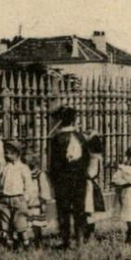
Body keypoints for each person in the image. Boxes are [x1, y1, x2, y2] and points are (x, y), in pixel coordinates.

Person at [48, 106, 89, 249]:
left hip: (63, 179)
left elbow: (54, 163)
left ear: (60, 121)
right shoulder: (81, 137)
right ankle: (80, 239)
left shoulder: (57, 138)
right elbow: (86, 159)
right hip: (79, 178)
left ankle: (66, 241)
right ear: (74, 120)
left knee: (63, 209)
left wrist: (54, 180)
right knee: (79, 208)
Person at [0, 140, 34, 249]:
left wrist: (26, 197)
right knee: (6, 222)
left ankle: (26, 243)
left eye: (8, 153)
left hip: (18, 199)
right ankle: (10, 244)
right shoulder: (4, 167)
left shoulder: (23, 168)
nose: (6, 155)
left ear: (17, 154)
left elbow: (28, 184)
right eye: (5, 152)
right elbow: (0, 181)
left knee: (20, 223)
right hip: (4, 199)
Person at [25, 151, 53, 248]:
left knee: (36, 224)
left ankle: (38, 241)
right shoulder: (24, 173)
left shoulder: (40, 174)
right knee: (26, 223)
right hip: (26, 202)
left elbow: (44, 188)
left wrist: (44, 200)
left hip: (36, 202)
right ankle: (26, 241)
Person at [84, 135, 106, 240]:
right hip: (86, 184)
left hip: (87, 185)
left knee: (88, 211)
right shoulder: (96, 157)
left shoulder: (94, 158)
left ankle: (89, 235)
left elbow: (91, 173)